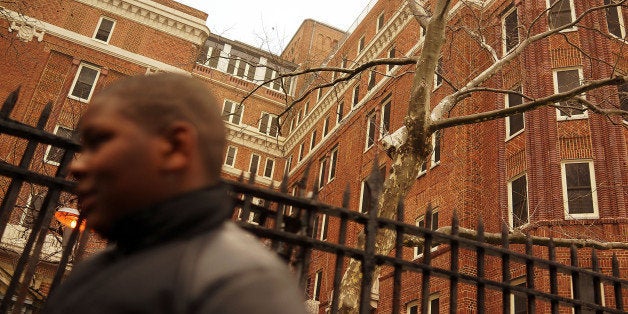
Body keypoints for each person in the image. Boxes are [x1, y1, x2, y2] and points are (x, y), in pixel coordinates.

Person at [43, 73, 307, 314]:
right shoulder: (94, 270)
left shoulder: (243, 285)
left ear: (175, 147)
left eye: (101, 141)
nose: (76, 165)